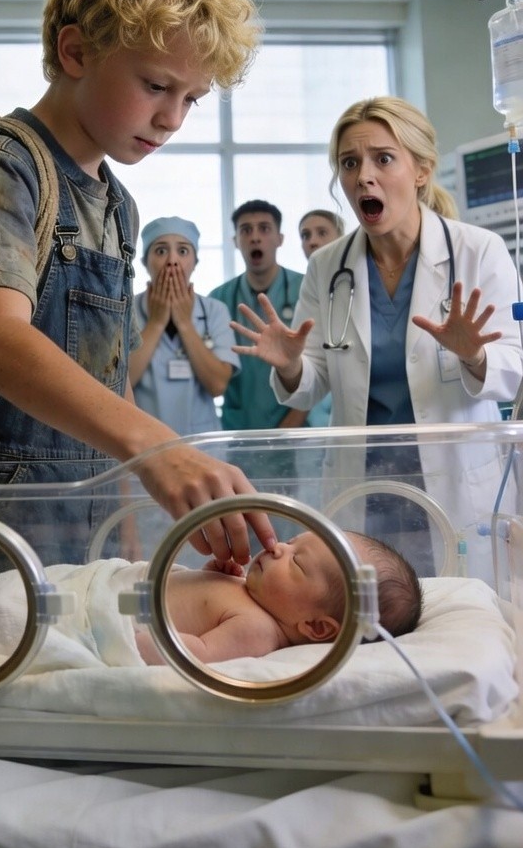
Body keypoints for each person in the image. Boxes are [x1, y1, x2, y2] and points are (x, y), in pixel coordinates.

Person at [0, 0, 276, 581]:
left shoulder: (117, 204)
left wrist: (127, 517)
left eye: (191, 99)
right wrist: (156, 445)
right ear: (77, 51)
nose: (173, 119)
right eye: (156, 85)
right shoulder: (1, 166)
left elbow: (110, 377)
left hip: (88, 516)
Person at [232, 96, 523, 577]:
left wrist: (475, 356)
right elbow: (313, 382)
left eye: (383, 159)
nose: (363, 176)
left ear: (421, 171)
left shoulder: (478, 251)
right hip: (364, 488)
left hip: (457, 486)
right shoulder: (328, 266)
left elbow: (513, 371)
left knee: (462, 609)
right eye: (350, 163)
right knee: (373, 608)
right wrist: (291, 366)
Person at [137, 528, 423, 666]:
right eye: (289, 542)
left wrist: (126, 639)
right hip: (132, 586)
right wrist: (213, 576)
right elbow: (201, 608)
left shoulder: (258, 630)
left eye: (296, 562)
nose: (278, 549)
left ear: (316, 627)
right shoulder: (258, 597)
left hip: (124, 617)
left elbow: (197, 653)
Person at [129, 216, 238, 436]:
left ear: (195, 262)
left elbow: (217, 385)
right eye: (161, 251)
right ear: (144, 262)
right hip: (143, 442)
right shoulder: (126, 309)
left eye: (183, 251)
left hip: (202, 443)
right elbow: (120, 382)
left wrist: (185, 324)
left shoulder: (215, 311)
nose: (172, 260)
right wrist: (156, 323)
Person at [209, 200, 307, 435]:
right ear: (235, 241)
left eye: (264, 228)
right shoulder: (218, 300)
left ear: (280, 239)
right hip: (238, 427)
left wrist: (287, 430)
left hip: (296, 428)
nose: (255, 237)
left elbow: (321, 367)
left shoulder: (305, 290)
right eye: (246, 230)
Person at [298, 209, 345, 428]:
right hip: (309, 424)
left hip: (344, 418)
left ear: (341, 237)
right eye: (305, 235)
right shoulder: (306, 292)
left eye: (322, 233)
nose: (312, 241)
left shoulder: (354, 286)